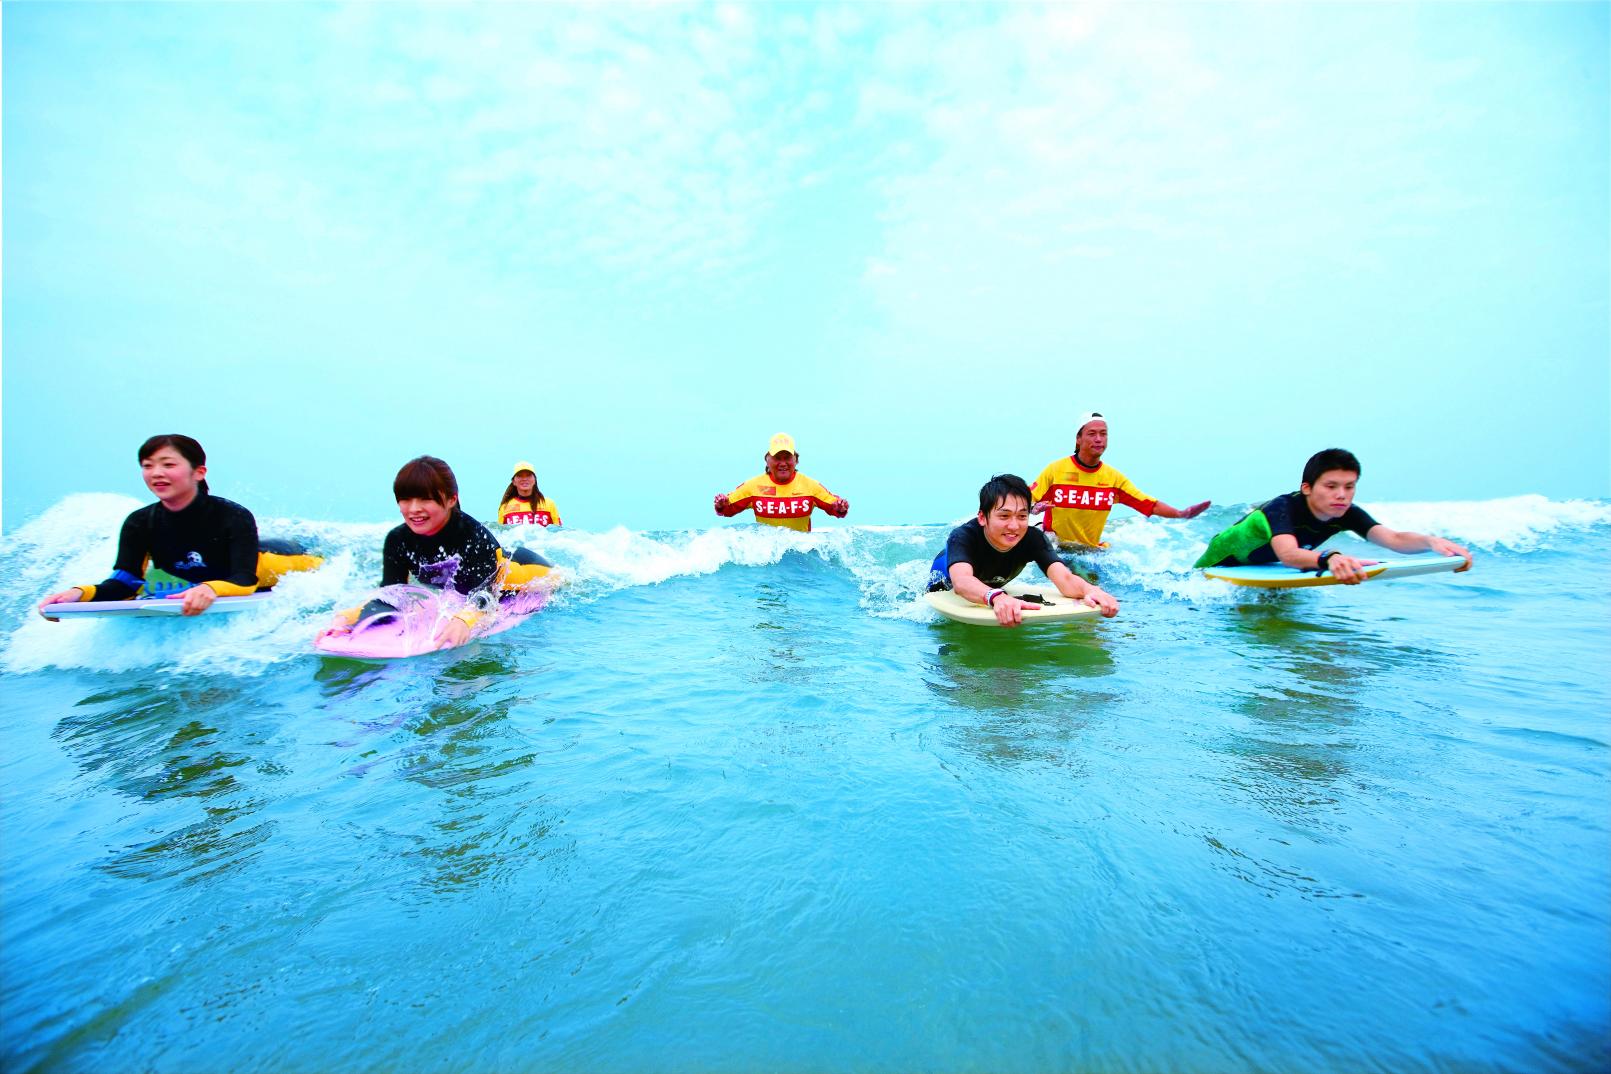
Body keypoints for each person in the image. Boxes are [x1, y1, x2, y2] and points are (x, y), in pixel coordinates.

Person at [36, 434, 320, 619]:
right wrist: (78, 594)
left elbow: (245, 580)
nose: (156, 473)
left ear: (199, 472)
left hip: (284, 562)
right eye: (147, 466)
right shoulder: (139, 523)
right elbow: (125, 584)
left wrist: (210, 589)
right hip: (215, 577)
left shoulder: (232, 515)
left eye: (168, 464)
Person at [320, 456, 553, 649]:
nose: (413, 509)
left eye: (425, 499)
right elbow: (392, 595)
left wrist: (465, 620)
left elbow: (487, 593)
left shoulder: (473, 534)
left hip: (524, 571)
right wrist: (350, 619)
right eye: (405, 499)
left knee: (553, 582)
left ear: (451, 499)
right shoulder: (397, 541)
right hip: (467, 589)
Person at [1193, 447, 1473, 582]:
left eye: (1349, 487)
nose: (1342, 494)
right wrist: (1331, 558)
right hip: (1219, 567)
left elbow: (1394, 539)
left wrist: (1431, 542)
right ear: (1307, 488)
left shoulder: (1345, 512)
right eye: (1331, 486)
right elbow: (1289, 555)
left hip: (1264, 569)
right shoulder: (1281, 508)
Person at [927, 474, 1119, 627]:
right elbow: (961, 583)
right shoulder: (963, 536)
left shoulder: (1033, 538)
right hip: (945, 584)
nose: (1014, 526)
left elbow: (1065, 579)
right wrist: (996, 597)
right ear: (982, 518)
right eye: (1004, 516)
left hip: (992, 588)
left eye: (1022, 516)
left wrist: (1091, 589)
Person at [1031, 412, 1210, 548]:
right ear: (1078, 439)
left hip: (1089, 551)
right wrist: (1033, 508)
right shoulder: (1056, 470)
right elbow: (1026, 497)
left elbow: (1148, 504)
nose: (1099, 439)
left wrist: (1180, 514)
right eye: (1092, 434)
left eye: (1103, 434)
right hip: (1054, 547)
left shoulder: (1113, 479)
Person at [713, 433, 849, 533]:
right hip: (768, 556)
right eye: (777, 458)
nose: (782, 463)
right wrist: (722, 504)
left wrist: (840, 507)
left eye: (787, 457)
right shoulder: (753, 486)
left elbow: (833, 506)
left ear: (796, 459)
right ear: (767, 460)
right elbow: (728, 508)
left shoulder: (810, 485)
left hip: (801, 555)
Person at [497, 461, 562, 527]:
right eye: (520, 476)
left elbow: (559, 531)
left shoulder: (549, 504)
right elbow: (500, 533)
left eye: (528, 475)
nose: (525, 479)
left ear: (535, 480)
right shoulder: (505, 506)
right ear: (514, 482)